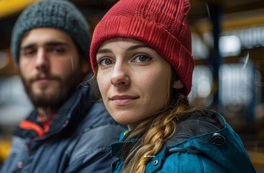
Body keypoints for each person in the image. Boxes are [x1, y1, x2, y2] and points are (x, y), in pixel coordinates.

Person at [89, 0, 256, 172]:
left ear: (176, 77)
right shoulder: (137, 145)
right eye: (106, 61)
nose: (117, 76)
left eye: (141, 57)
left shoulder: (185, 163)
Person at [0, 0, 126, 172]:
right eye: (30, 52)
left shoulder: (101, 131)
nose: (40, 62)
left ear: (83, 61)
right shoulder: (32, 126)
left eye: (57, 50)